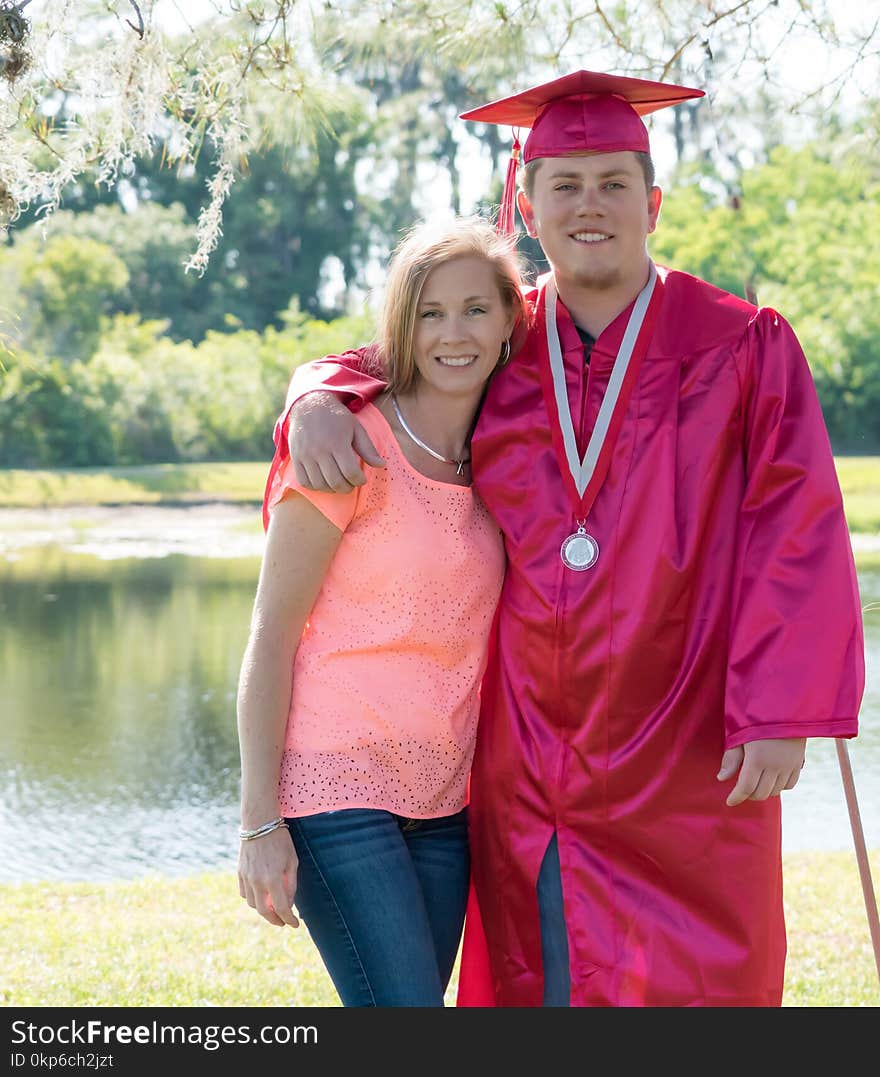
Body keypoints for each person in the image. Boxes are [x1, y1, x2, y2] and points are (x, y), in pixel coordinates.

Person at [265, 71, 865, 1007]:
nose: (591, 206)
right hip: (533, 755)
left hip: (687, 743)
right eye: (565, 185)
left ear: (653, 203)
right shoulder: (498, 339)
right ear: (525, 203)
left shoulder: (741, 344)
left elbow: (797, 531)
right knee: (548, 979)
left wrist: (781, 708)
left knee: (702, 985)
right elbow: (389, 360)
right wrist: (313, 391)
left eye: (614, 184)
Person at [236, 215, 526, 1007]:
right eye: (430, 313)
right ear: (404, 325)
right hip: (333, 792)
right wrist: (260, 822)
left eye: (475, 309)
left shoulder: (506, 457)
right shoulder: (346, 444)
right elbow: (270, 635)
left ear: (509, 321)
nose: (454, 333)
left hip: (444, 803)